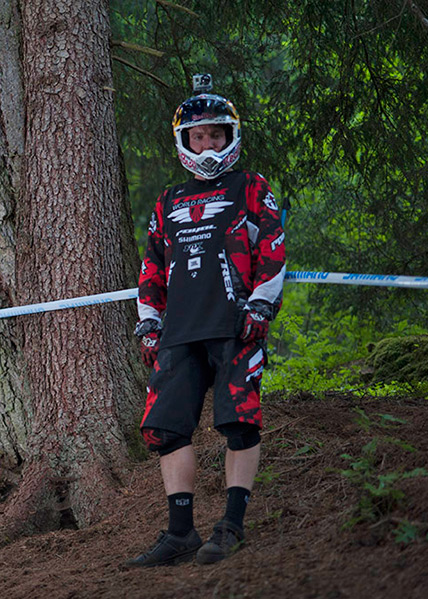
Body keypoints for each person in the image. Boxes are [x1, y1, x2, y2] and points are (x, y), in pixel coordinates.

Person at [123, 76, 286, 567]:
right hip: (178, 332)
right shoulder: (168, 200)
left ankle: (231, 525)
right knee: (165, 430)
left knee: (239, 423)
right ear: (185, 141)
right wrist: (148, 322)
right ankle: (181, 533)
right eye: (199, 137)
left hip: (236, 325)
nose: (209, 144)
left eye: (216, 134)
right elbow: (151, 267)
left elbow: (273, 249)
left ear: (230, 135)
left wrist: (261, 305)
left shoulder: (251, 186)